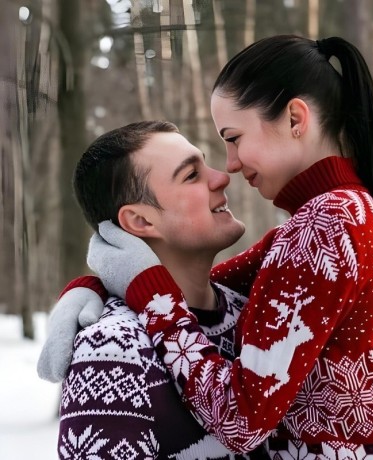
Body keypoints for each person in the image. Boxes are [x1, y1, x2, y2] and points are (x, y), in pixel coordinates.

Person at [40, 35, 373, 459]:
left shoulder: (328, 223)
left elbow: (240, 418)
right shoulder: (334, 218)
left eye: (233, 138)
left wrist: (147, 289)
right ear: (140, 221)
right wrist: (100, 284)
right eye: (193, 172)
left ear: (295, 118)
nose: (229, 166)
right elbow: (198, 285)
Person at [37, 120, 270, 459]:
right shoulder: (112, 352)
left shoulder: (252, 312)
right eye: (191, 175)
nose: (221, 177)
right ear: (141, 221)